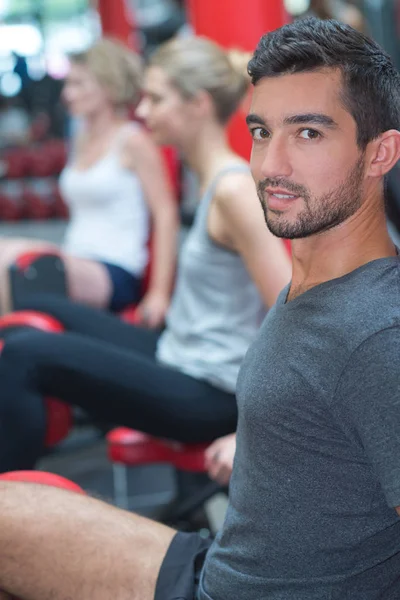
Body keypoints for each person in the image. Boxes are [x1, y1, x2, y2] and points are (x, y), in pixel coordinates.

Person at [2, 16, 400, 600]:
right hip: (218, 560)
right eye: (262, 132)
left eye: (309, 134)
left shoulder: (378, 335)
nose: (271, 166)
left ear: (380, 153)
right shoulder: (316, 287)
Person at [0, 35, 291, 473]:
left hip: (211, 393)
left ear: (197, 105)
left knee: (24, 357)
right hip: (179, 351)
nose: (141, 111)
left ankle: (14, 510)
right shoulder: (212, 180)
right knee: (27, 321)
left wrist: (254, 427)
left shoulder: (233, 191)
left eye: (155, 99)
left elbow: (294, 318)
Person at [0, 38, 178, 324]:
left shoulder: (133, 141)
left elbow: (165, 213)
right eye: (68, 84)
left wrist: (158, 293)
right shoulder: (80, 138)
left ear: (108, 87)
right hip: (75, 256)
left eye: (79, 84)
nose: (68, 94)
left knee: (19, 263)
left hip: (115, 269)